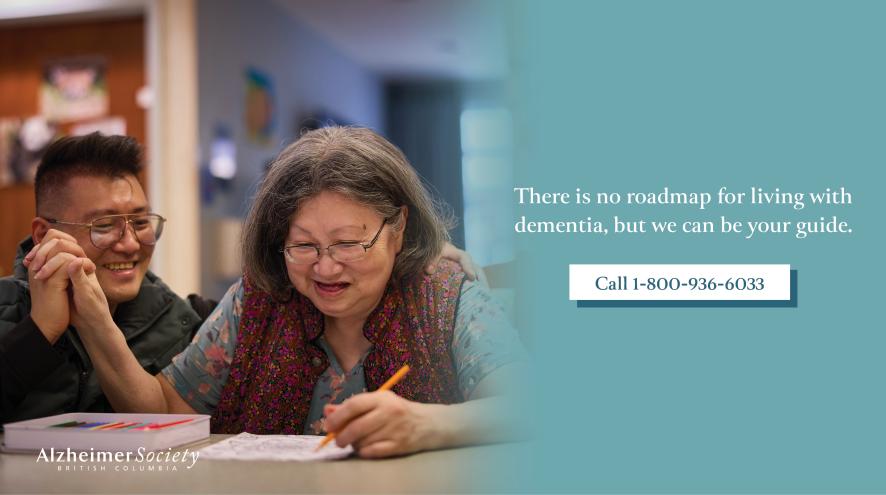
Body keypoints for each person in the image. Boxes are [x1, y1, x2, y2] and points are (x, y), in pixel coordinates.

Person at [64, 126, 525, 458]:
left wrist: (426, 425)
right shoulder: (260, 300)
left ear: (398, 228)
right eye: (303, 245)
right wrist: (94, 319)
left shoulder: (443, 299)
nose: (325, 267)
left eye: (348, 243)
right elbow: (166, 410)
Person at [0, 132, 215, 423]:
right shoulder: (7, 310)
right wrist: (40, 331)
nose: (130, 244)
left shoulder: (186, 324)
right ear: (43, 235)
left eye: (140, 222)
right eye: (103, 225)